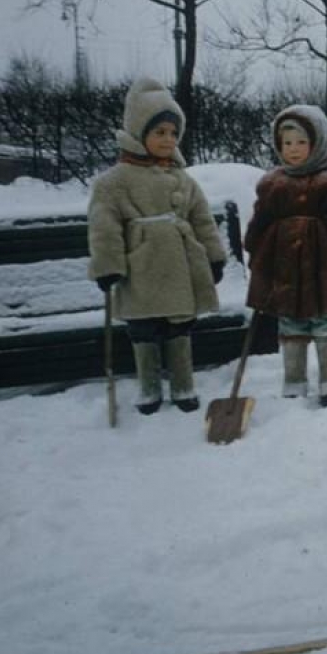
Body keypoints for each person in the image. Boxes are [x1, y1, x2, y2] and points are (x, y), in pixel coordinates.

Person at [87, 77, 227, 414]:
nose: (168, 140)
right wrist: (108, 266)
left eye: (172, 133)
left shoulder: (183, 178)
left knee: (180, 325)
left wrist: (213, 256)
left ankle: (183, 385)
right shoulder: (114, 182)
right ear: (138, 132)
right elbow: (104, 227)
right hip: (141, 268)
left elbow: (201, 219)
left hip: (179, 266)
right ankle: (149, 388)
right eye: (159, 132)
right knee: (143, 328)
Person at [243, 104, 327, 406]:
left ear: (319, 142)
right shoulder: (272, 184)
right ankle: (294, 381)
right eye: (286, 143)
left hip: (324, 272)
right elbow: (258, 226)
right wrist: (257, 256)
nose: (294, 149)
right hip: (285, 272)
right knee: (291, 324)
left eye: (302, 142)